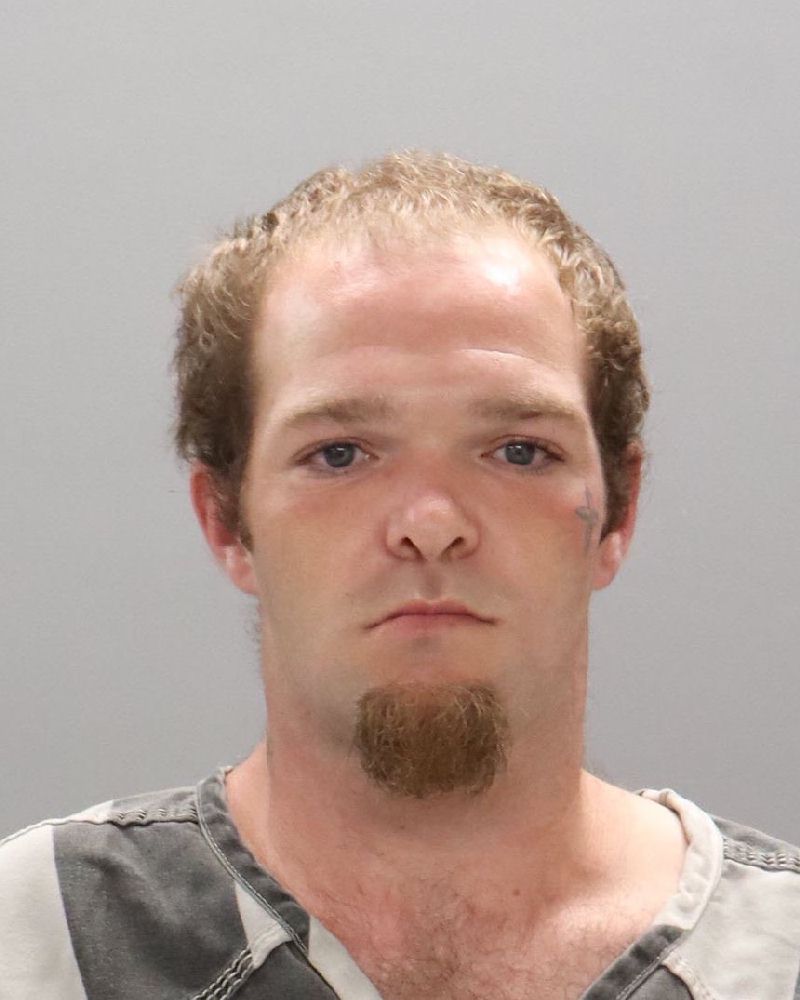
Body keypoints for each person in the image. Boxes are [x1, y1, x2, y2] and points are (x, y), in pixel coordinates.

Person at [1, 151, 798, 1000]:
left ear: (618, 511)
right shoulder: (36, 938)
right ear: (227, 521)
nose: (431, 524)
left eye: (519, 451)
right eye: (340, 454)